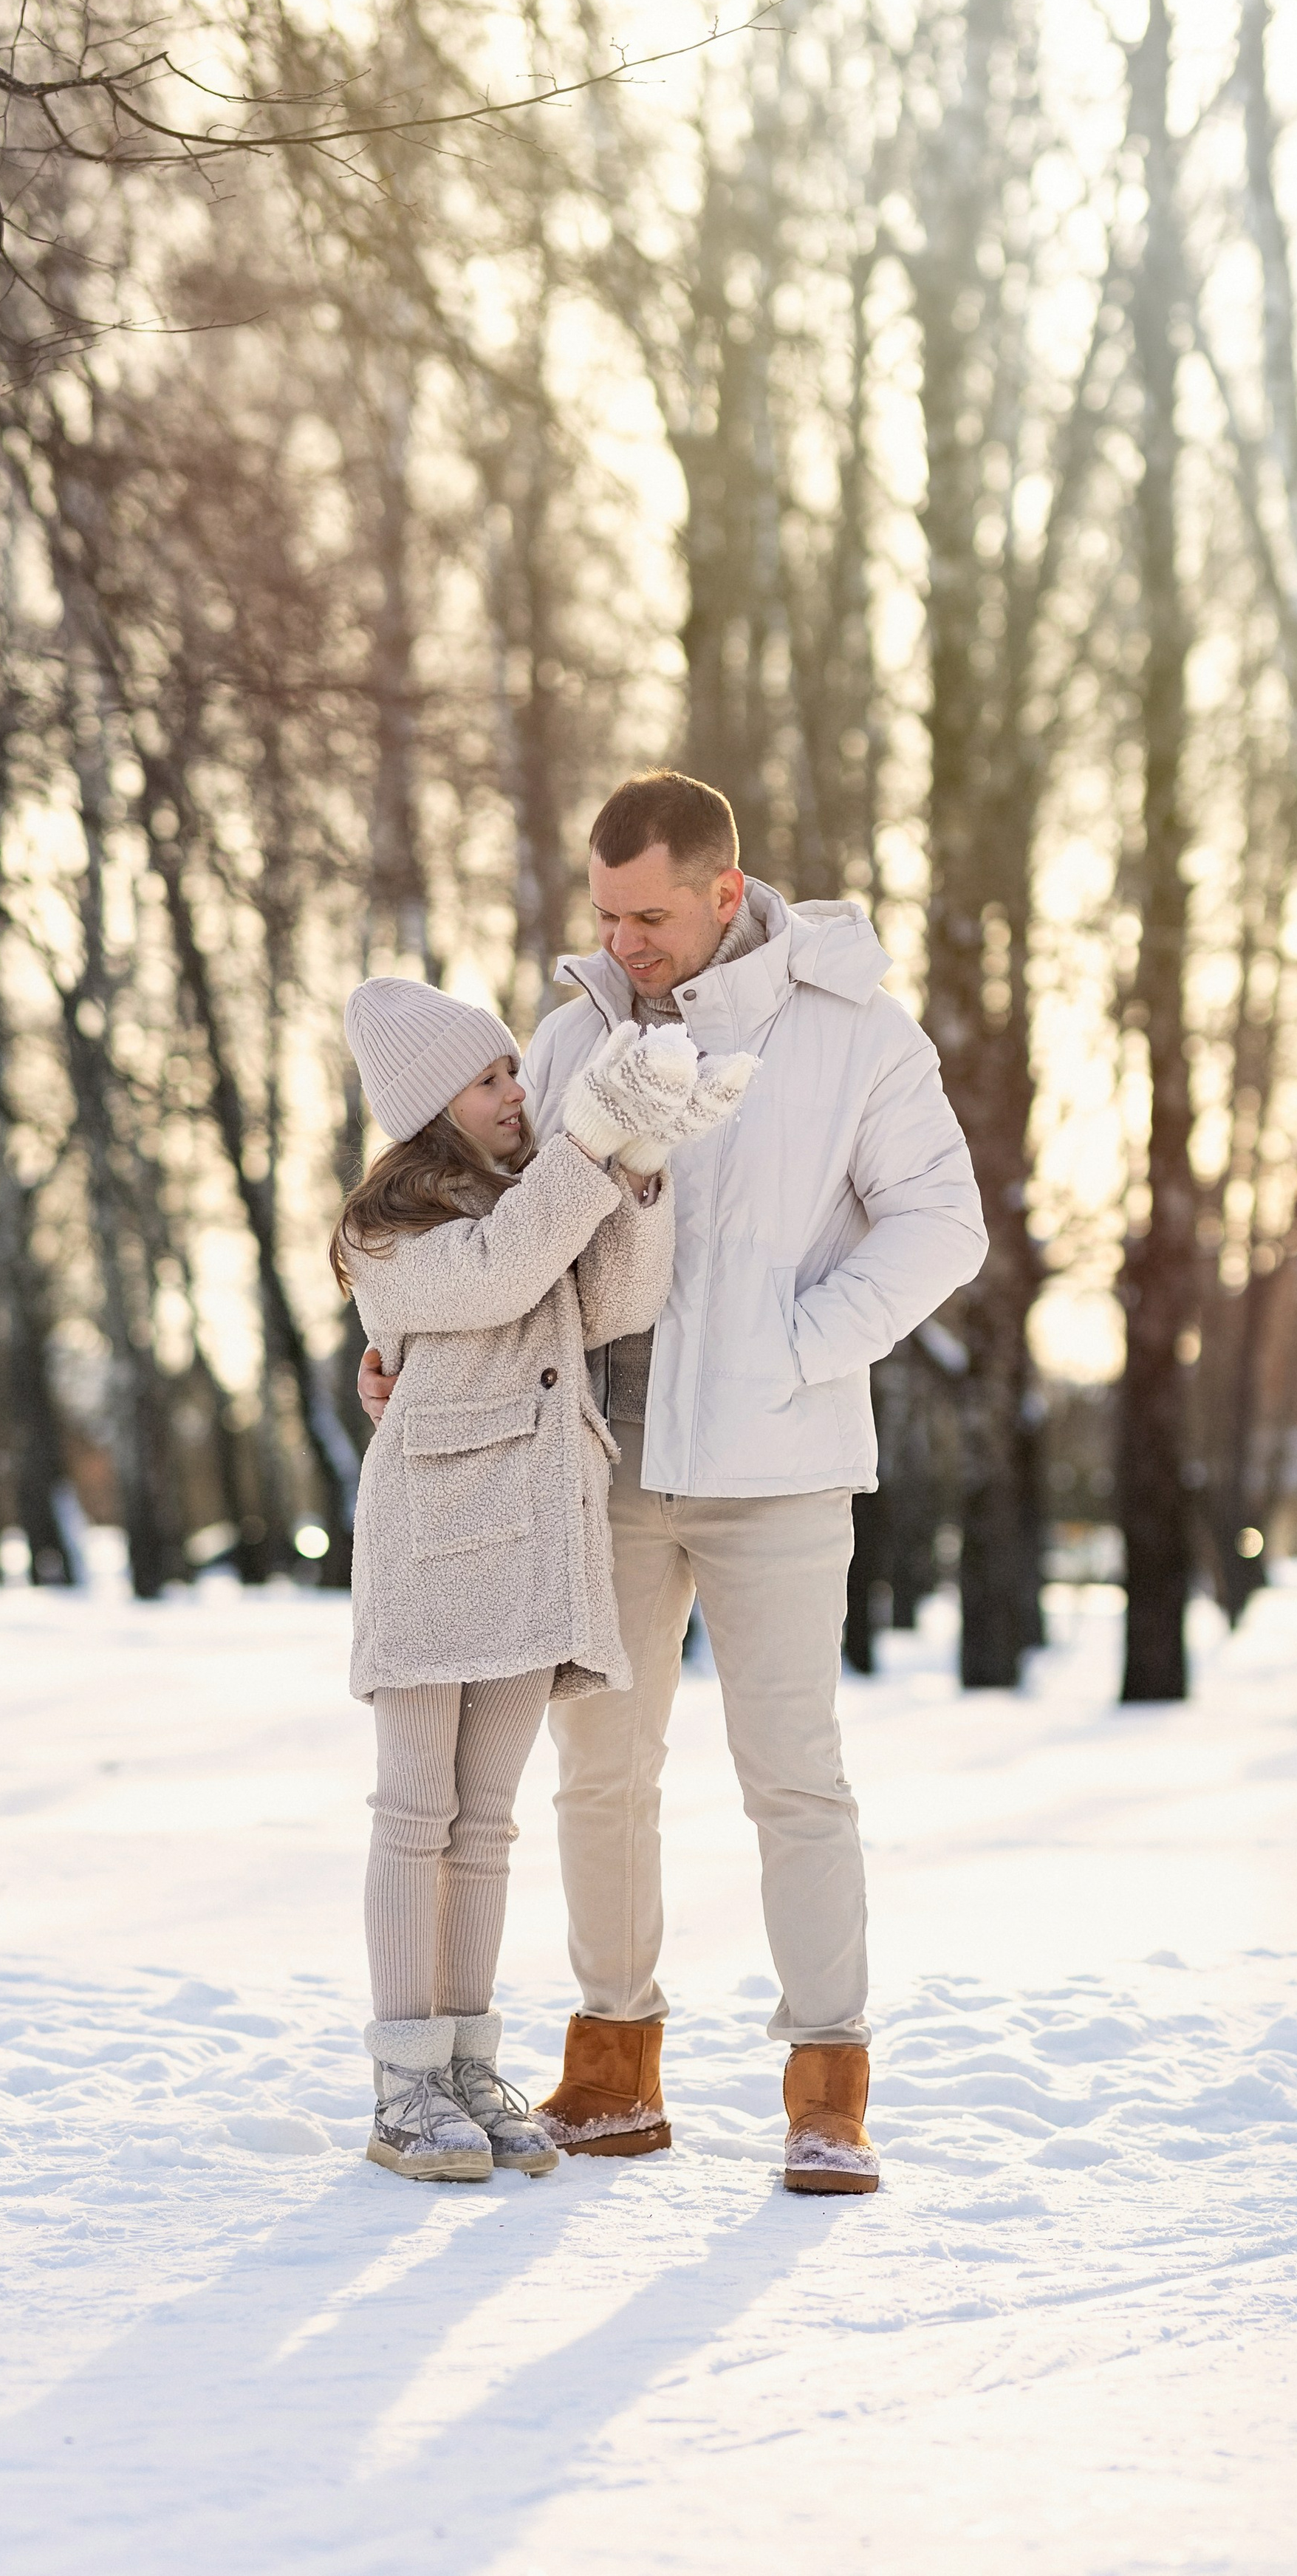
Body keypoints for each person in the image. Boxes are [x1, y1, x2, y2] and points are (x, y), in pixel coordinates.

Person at [359, 773, 987, 2196]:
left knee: (795, 1776)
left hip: (780, 1465)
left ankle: (828, 2082)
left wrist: (798, 1346)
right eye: (606, 915)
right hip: (606, 1459)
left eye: (649, 915)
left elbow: (944, 1223)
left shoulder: (855, 1034)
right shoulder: (579, 1032)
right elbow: (482, 1233)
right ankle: (613, 2064)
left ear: (724, 890)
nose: (625, 941)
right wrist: (395, 1358)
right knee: (601, 1772)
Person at [333, 972, 753, 2182]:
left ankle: (463, 2059)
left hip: (533, 1538)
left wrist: (640, 1169)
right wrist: (585, 1142)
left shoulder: (535, 1196)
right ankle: (403, 2079)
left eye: (520, 1070)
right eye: (493, 1077)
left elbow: (618, 1299)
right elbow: (504, 1274)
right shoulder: (387, 1233)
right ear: (431, 1106)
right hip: (431, 1543)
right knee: (416, 1812)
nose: (520, 1091)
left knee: (487, 1821)